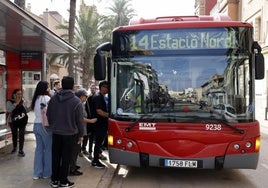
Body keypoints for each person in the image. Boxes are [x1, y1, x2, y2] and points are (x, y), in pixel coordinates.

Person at [47, 76, 84, 188]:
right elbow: (79, 120)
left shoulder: (53, 98)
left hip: (56, 132)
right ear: (73, 86)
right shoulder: (76, 101)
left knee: (55, 156)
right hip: (70, 133)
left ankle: (54, 180)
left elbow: (49, 114)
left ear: (62, 85)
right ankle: (63, 181)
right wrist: (81, 134)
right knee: (66, 157)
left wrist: (53, 125)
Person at [70, 88, 97, 175]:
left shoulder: (79, 103)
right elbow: (80, 118)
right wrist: (91, 121)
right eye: (85, 96)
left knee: (76, 149)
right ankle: (72, 168)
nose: (86, 98)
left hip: (78, 129)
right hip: (77, 130)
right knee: (75, 149)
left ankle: (73, 165)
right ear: (81, 96)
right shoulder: (79, 104)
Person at [30, 81, 52, 180]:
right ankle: (47, 173)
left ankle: (36, 173)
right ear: (45, 88)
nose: (49, 88)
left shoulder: (36, 98)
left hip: (36, 125)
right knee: (48, 149)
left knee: (39, 149)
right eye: (48, 87)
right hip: (45, 126)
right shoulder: (47, 98)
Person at [91, 81, 109, 168]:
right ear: (102, 87)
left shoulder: (101, 96)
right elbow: (99, 111)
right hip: (99, 124)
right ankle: (95, 161)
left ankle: (97, 157)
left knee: (99, 143)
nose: (108, 89)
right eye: (107, 87)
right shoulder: (98, 97)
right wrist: (109, 116)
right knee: (98, 143)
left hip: (101, 124)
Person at [6, 89, 29, 157]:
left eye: (21, 94)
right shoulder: (9, 102)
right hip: (13, 121)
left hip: (22, 121)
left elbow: (27, 110)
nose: (20, 95)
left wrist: (27, 104)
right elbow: (9, 109)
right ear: (14, 95)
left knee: (21, 135)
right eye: (18, 94)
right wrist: (16, 103)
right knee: (14, 134)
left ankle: (21, 150)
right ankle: (15, 147)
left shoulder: (22, 102)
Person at [82, 84, 97, 159]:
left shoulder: (97, 97)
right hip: (89, 121)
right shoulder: (89, 98)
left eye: (94, 88)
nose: (93, 89)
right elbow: (86, 110)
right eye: (92, 88)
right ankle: (83, 149)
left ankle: (91, 152)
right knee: (86, 136)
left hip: (95, 121)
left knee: (91, 138)